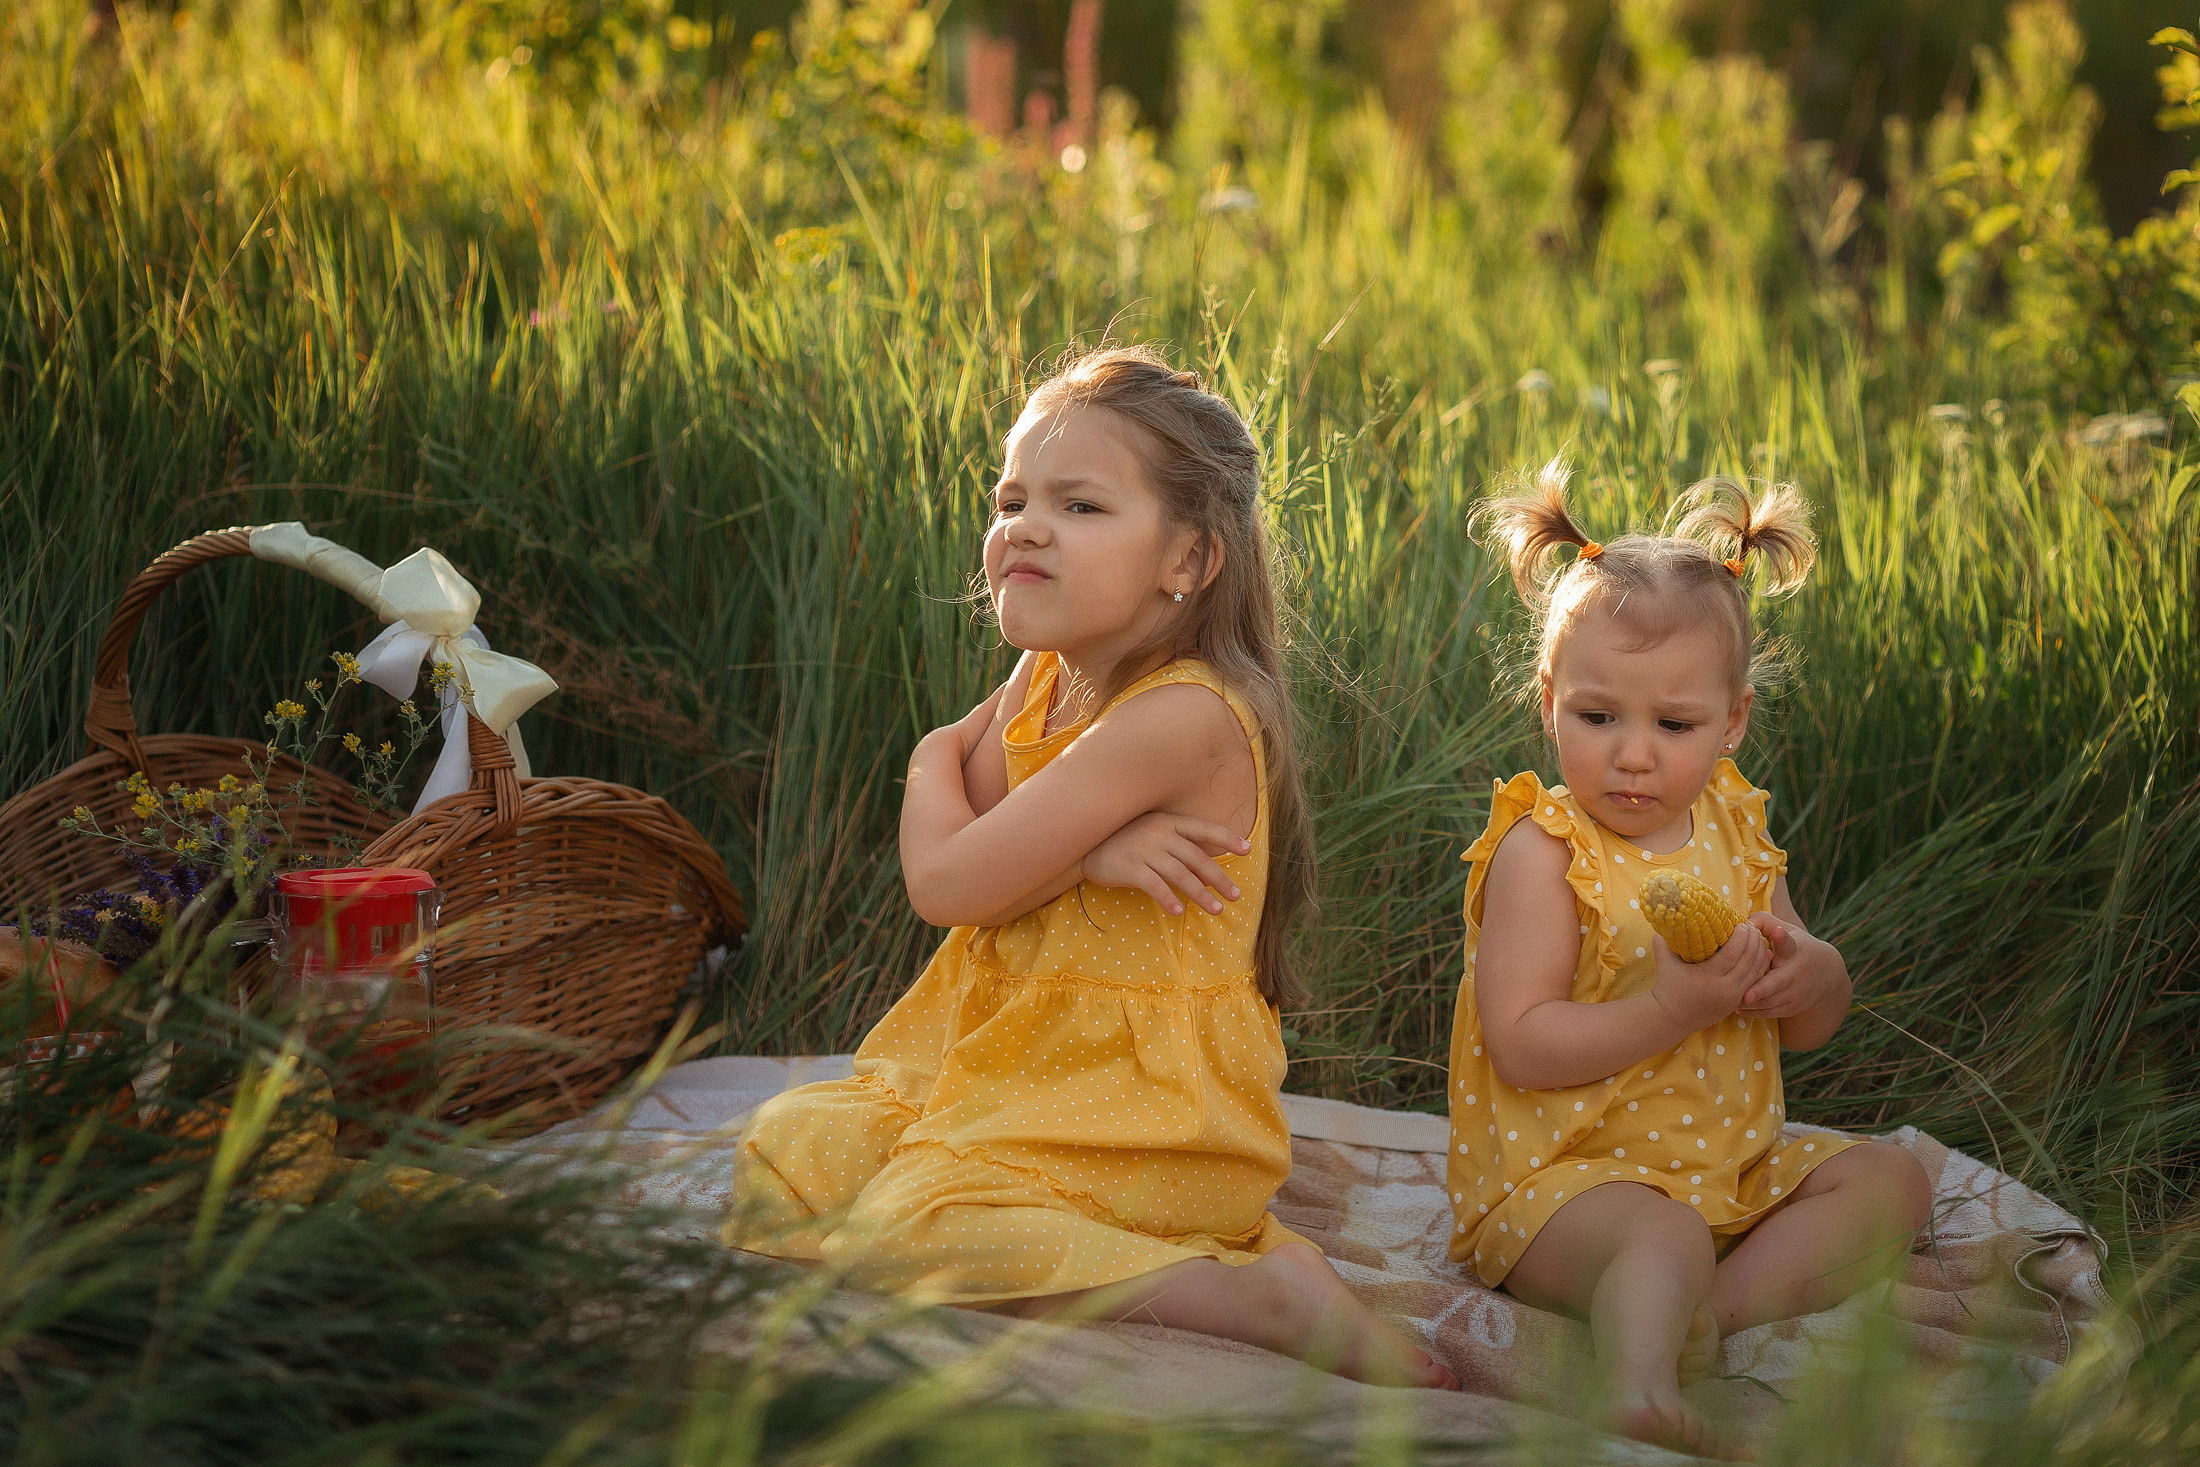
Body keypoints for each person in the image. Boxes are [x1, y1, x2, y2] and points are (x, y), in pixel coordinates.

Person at [728, 346, 1456, 1390]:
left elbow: (948, 881)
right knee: (790, 1155)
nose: (1023, 526)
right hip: (1014, 1062)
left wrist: (932, 757)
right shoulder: (1048, 675)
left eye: (1078, 507)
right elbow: (988, 837)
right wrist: (1081, 851)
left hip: (1143, 1105)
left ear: (1189, 562)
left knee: (908, 1230)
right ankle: (1036, 1219)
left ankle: (1258, 1297)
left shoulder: (1183, 714)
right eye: (1012, 498)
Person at [1447, 461, 1931, 1455]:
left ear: (1732, 722)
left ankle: (1700, 1315)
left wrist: (1813, 974)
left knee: (1894, 1184)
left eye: (1673, 726)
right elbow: (1523, 1044)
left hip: (1730, 1167)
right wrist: (1670, 1009)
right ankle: (1638, 1379)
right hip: (1567, 1190)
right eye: (1598, 717)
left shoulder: (1737, 831)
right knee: (1655, 1233)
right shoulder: (1543, 854)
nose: (1633, 754)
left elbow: (1802, 1026)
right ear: (1549, 703)